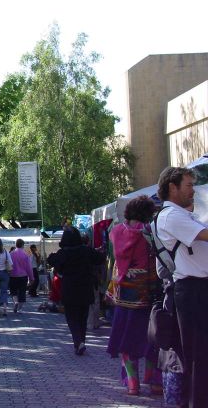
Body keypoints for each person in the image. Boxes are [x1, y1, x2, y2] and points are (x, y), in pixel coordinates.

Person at [155, 166, 208, 407]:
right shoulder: (171, 215)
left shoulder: (181, 214)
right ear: (172, 187)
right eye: (188, 185)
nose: (193, 191)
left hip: (196, 289)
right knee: (199, 356)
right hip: (193, 290)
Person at [106, 196, 162, 396]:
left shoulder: (115, 233)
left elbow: (112, 260)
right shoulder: (149, 232)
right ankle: (155, 382)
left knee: (126, 342)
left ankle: (132, 385)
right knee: (154, 339)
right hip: (149, 293)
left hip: (124, 295)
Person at [48, 227, 104, 355]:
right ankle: (81, 341)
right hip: (85, 287)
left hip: (69, 289)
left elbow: (51, 260)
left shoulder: (64, 253)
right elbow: (99, 259)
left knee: (72, 318)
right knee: (82, 317)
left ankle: (78, 342)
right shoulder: (86, 250)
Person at [9, 239, 34, 313]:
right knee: (22, 292)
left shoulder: (11, 254)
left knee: (13, 291)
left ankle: (15, 302)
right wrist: (31, 278)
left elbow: (8, 265)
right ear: (23, 245)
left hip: (13, 276)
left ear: (15, 245)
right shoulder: (26, 255)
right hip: (23, 276)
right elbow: (29, 268)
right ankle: (20, 309)